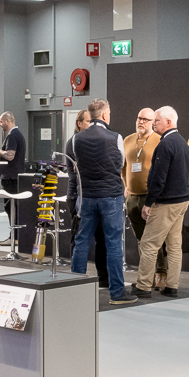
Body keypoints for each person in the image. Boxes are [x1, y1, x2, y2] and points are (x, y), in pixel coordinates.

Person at [68, 98, 133, 303]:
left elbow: (77, 165)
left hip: (87, 197)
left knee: (81, 241)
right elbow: (120, 162)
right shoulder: (115, 137)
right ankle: (117, 292)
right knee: (113, 243)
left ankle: (74, 289)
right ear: (105, 115)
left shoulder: (77, 139)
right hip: (110, 197)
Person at [135, 105, 189, 298]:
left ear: (168, 122)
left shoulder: (165, 144)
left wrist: (149, 203)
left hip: (165, 203)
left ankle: (143, 287)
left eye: (156, 121)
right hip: (181, 201)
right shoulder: (182, 142)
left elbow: (158, 177)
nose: (153, 124)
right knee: (174, 246)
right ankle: (171, 286)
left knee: (149, 244)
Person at [122, 107, 162, 275]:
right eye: (139, 118)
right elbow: (123, 167)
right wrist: (125, 185)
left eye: (146, 119)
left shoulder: (159, 140)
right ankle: (146, 273)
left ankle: (161, 271)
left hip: (150, 196)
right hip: (131, 197)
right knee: (140, 238)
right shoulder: (128, 140)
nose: (141, 122)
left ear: (153, 123)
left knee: (154, 239)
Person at [0, 112, 27, 247]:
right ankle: (15, 236)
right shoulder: (16, 135)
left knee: (12, 209)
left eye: (1, 122)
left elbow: (10, 156)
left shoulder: (13, 135)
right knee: (14, 209)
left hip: (11, 179)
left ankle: (14, 237)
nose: (0, 125)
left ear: (7, 121)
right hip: (14, 177)